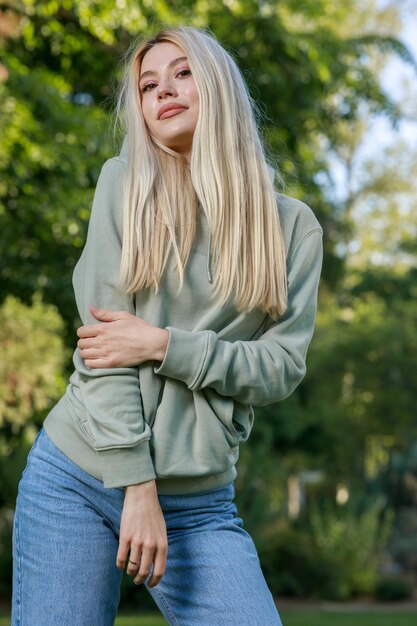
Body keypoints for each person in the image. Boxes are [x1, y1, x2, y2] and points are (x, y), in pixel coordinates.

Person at [12, 25, 323, 626]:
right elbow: (102, 350)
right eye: (148, 85)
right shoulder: (123, 187)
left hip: (198, 504)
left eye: (182, 73)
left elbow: (280, 367)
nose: (164, 91)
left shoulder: (290, 229)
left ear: (217, 87)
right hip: (77, 474)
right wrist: (137, 485)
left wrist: (161, 344)